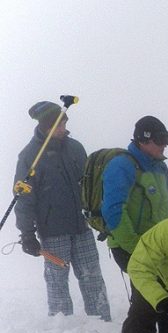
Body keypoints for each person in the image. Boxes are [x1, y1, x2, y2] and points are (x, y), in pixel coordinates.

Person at [13, 101, 111, 321]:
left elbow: (91, 188)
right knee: (57, 279)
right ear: (45, 126)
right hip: (53, 230)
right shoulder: (30, 156)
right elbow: (24, 198)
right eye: (57, 125)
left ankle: (102, 322)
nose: (62, 129)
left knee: (92, 276)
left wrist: (99, 216)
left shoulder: (75, 148)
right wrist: (27, 234)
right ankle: (62, 326)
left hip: (82, 226)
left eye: (64, 123)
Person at [102, 116, 168, 333]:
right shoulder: (122, 166)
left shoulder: (160, 167)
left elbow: (163, 209)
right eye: (160, 140)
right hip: (128, 244)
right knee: (148, 294)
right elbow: (113, 211)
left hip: (157, 245)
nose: (164, 145)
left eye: (167, 138)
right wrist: (137, 248)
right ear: (143, 140)